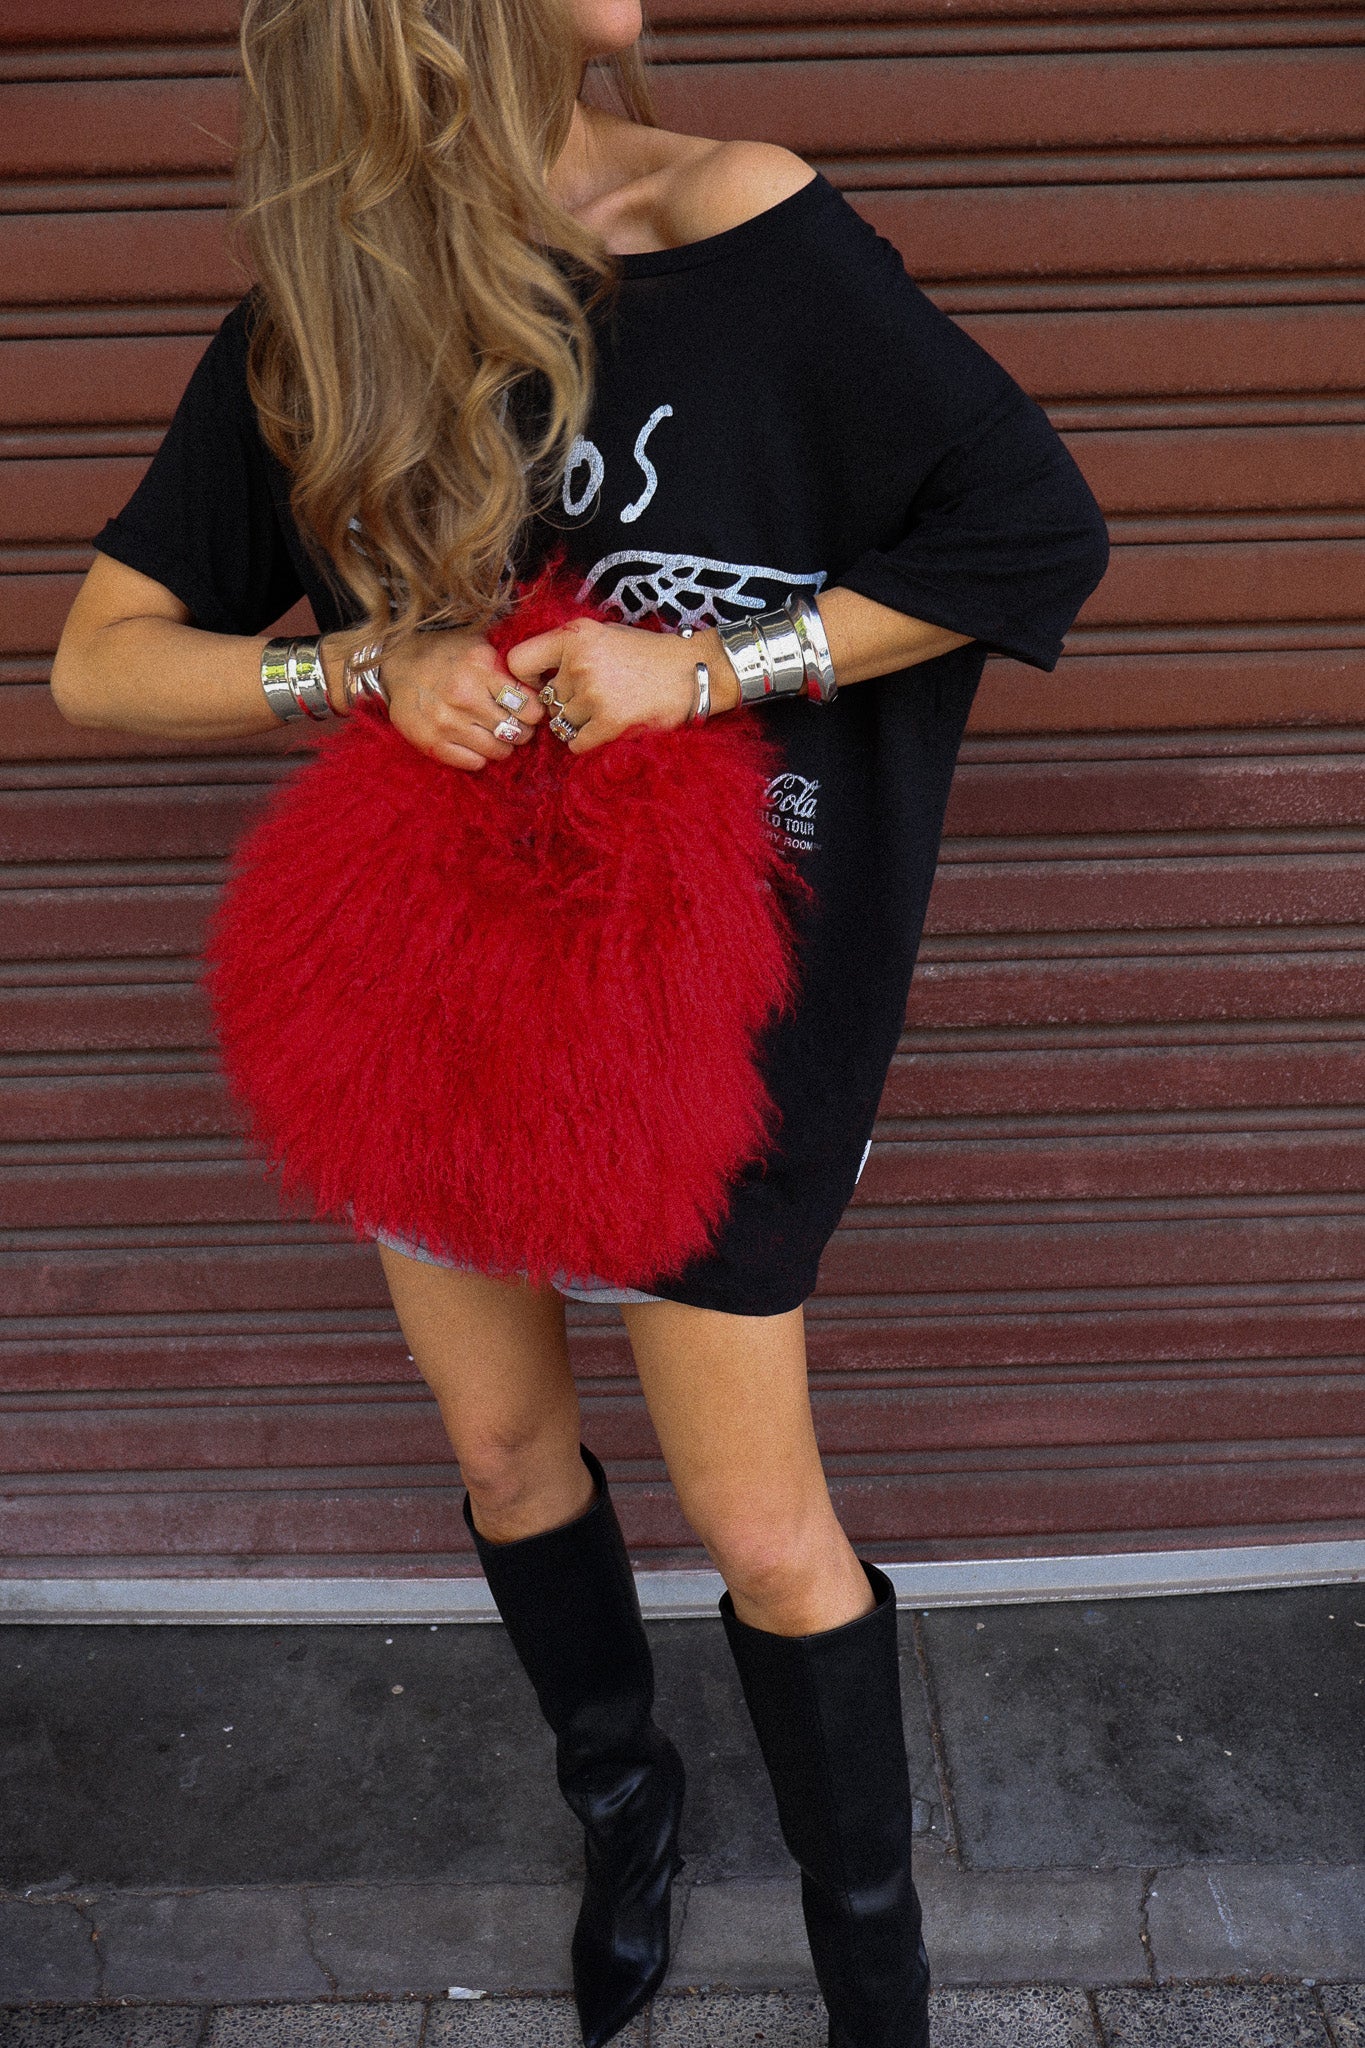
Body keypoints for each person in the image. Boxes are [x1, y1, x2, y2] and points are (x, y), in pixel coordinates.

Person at [50, 0, 1111, 2038]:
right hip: (436, 986)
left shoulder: (742, 226)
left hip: (710, 1017)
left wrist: (704, 672)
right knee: (503, 1443)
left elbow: (1027, 533)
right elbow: (100, 660)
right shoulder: (329, 312)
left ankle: (870, 1967)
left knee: (763, 1530)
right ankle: (624, 1812)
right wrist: (355, 668)